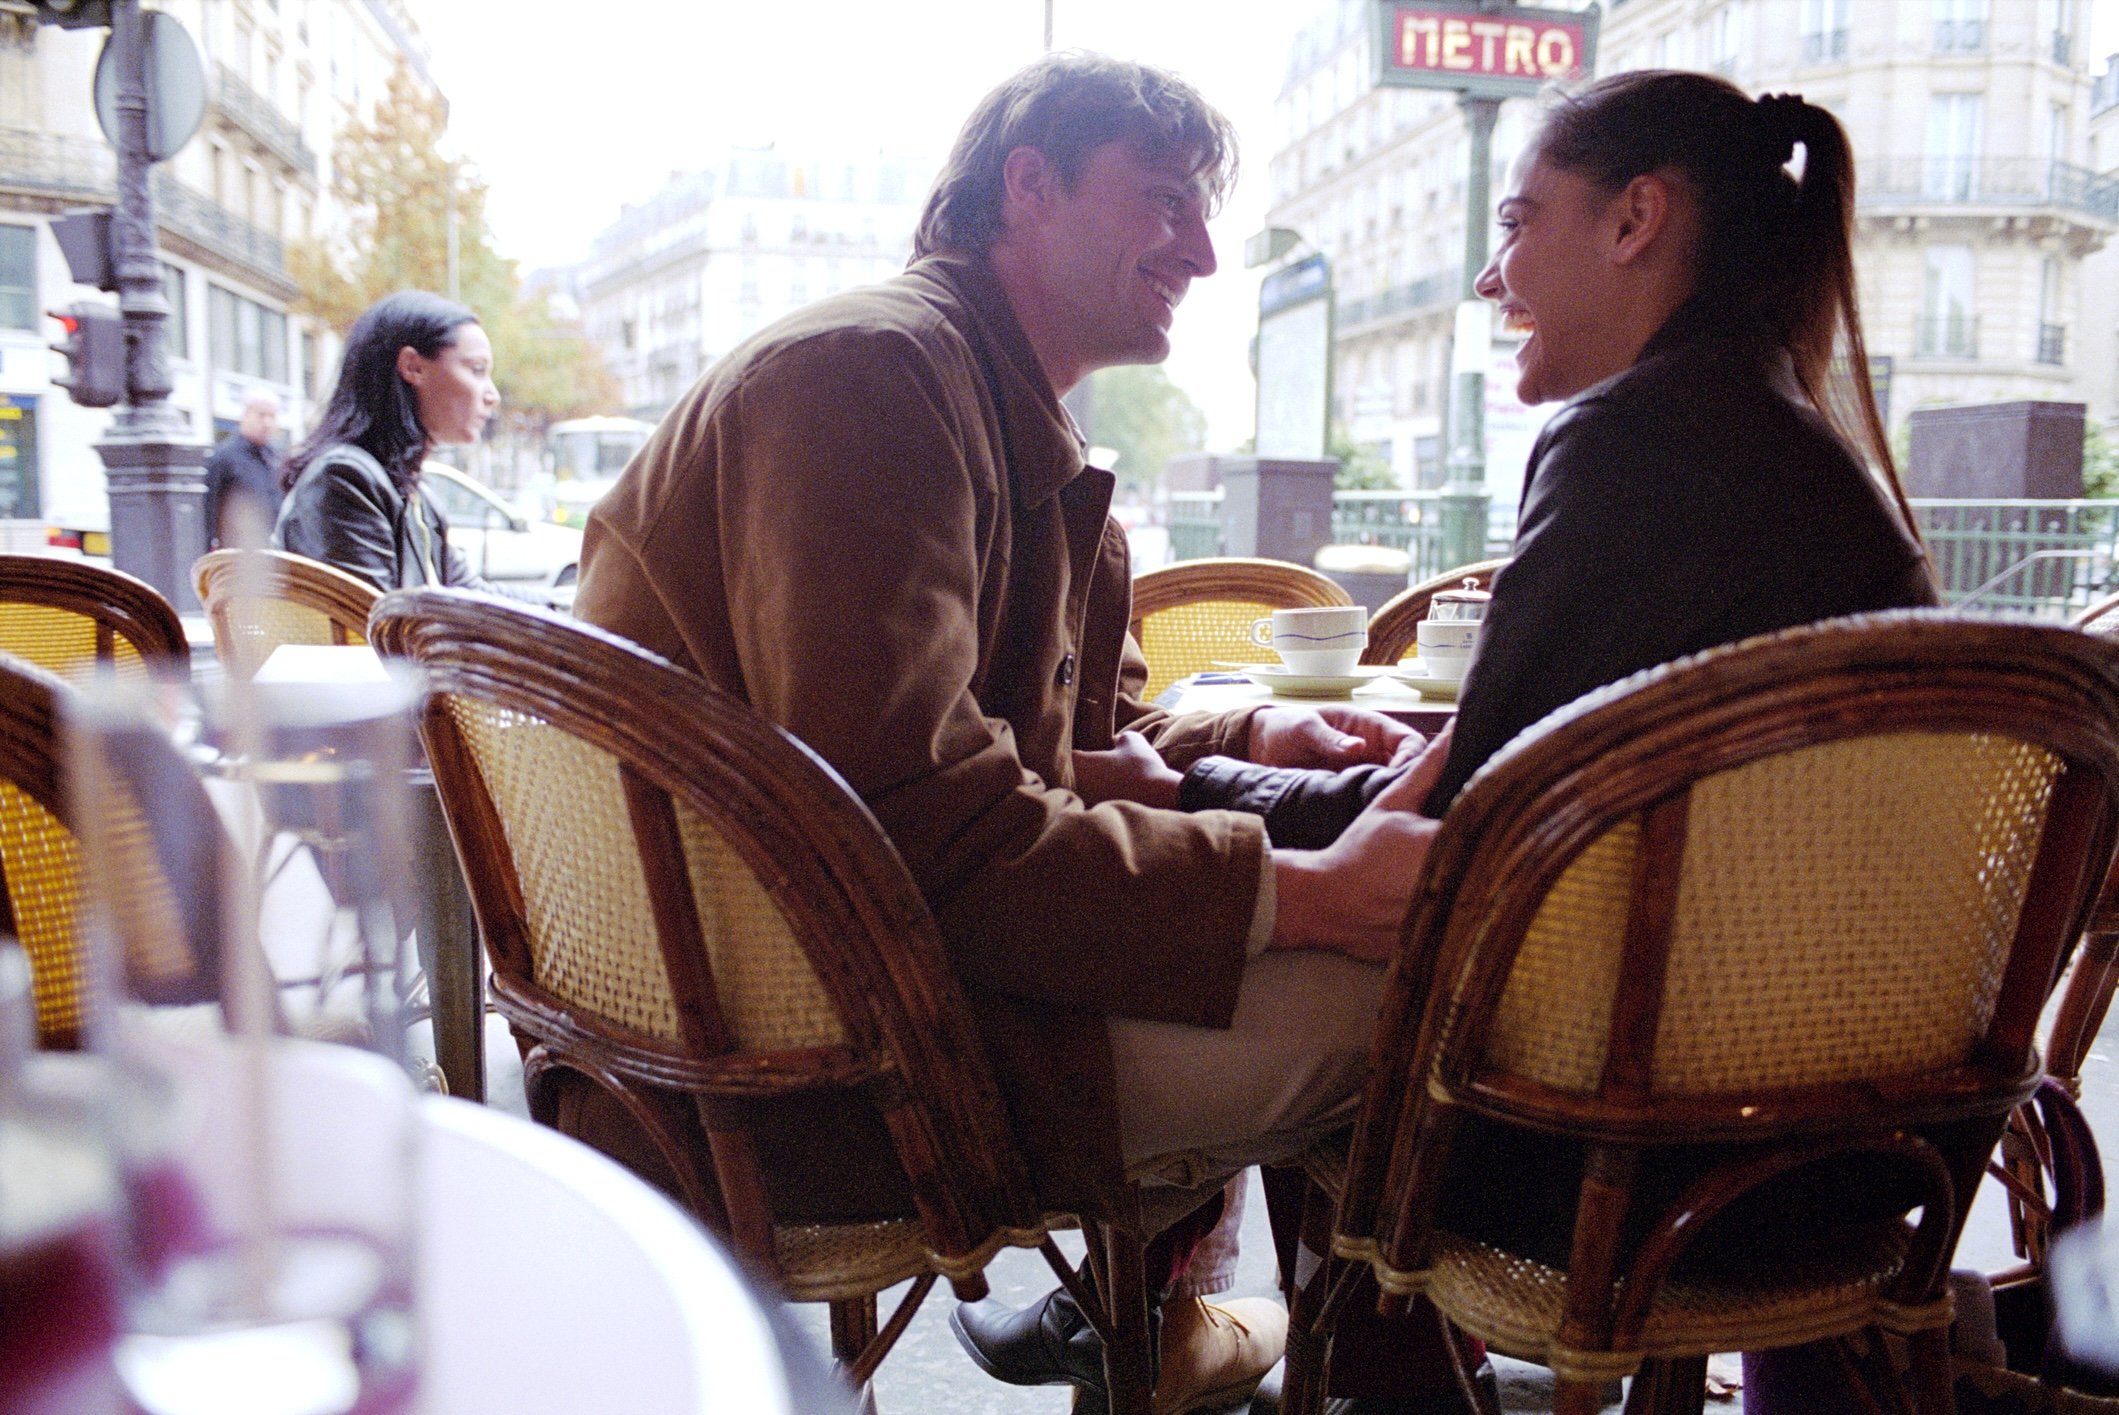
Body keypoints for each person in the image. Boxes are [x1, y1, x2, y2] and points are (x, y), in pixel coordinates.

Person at [575, 53, 1444, 1415]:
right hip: (810, 1063)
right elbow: (921, 823)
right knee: (1426, 1004)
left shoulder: (950, 387)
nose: (1205, 251)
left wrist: (1259, 728)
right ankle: (1248, 1364)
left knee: (1332, 952)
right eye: (1162, 201)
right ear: (1025, 188)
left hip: (809, 993)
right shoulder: (871, 385)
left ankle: (1162, 1342)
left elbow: (1036, 741)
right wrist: (1313, 896)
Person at [1095, 70, 1941, 1412]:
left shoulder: (1635, 436)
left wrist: (1185, 783)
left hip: (1642, 1162)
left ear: (1633, 220)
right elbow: (1494, 785)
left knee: (1325, 1011)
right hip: (1868, 1148)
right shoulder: (1793, 443)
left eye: (1513, 220)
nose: (1490, 278)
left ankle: (1287, 1363)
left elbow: (1452, 835)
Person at [275, 291, 506, 594]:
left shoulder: (414, 494)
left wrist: (574, 608)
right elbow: (374, 626)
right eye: (476, 370)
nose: (492, 395)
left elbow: (476, 595)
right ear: (413, 366)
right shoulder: (345, 478)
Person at [203, 392, 283, 549]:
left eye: (272, 416)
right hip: (237, 551)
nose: (267, 422)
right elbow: (209, 508)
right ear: (246, 415)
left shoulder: (275, 457)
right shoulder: (224, 457)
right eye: (261, 415)